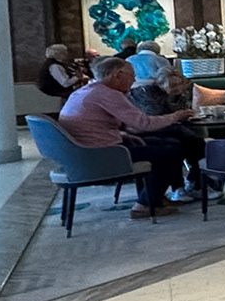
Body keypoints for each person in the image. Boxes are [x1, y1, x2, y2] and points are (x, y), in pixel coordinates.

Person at [57, 56, 195, 218]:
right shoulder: (107, 94)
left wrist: (122, 134)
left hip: (83, 152)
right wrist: (176, 116)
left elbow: (95, 125)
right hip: (99, 155)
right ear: (117, 75)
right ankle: (145, 205)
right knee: (170, 150)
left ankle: (155, 197)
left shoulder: (87, 90)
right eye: (131, 75)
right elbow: (144, 123)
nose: (134, 80)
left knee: (167, 142)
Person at [128, 65, 207, 196]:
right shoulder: (147, 92)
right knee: (180, 142)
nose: (178, 88)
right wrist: (177, 114)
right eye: (172, 85)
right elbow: (153, 118)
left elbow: (183, 111)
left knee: (194, 140)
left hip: (169, 128)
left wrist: (178, 107)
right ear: (160, 84)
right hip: (143, 130)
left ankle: (195, 182)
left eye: (180, 84)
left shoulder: (182, 93)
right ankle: (179, 187)